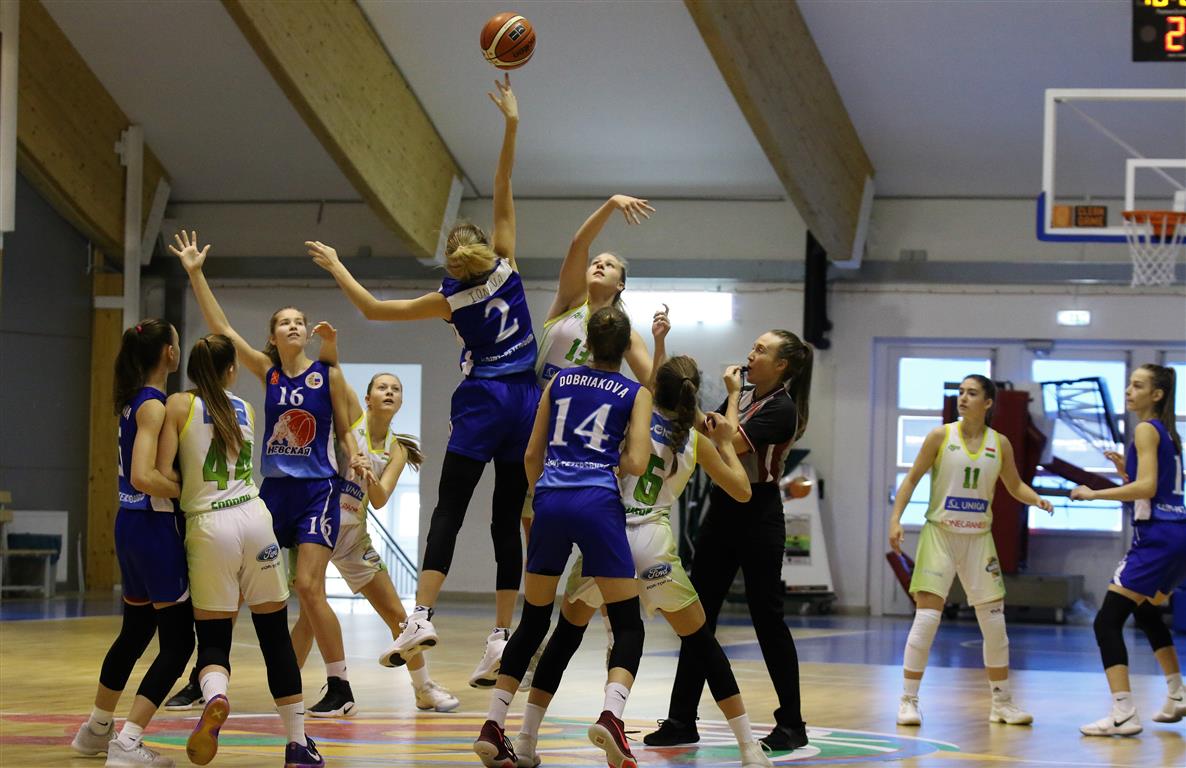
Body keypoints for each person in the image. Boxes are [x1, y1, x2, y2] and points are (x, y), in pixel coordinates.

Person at [307, 74, 535, 688]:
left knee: (449, 510)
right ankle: (501, 638)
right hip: (526, 400)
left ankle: (421, 617)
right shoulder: (508, 265)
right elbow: (503, 183)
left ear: (450, 261)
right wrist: (512, 122)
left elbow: (373, 310)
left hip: (485, 399)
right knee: (506, 519)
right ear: (483, 247)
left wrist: (338, 266)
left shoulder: (447, 299)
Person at [511, 354, 772, 768]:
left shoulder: (629, 418)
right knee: (702, 644)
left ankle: (525, 740)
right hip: (654, 543)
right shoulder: (695, 441)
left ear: (655, 389)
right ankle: (749, 748)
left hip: (610, 537)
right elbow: (743, 492)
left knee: (565, 638)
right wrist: (725, 440)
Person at [172, 230, 368, 718]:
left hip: (318, 491)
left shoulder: (329, 374)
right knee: (235, 587)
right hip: (272, 495)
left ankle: (340, 685)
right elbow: (221, 327)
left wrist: (357, 456)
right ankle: (205, 674)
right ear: (274, 334)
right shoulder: (268, 371)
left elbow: (345, 431)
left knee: (309, 587)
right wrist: (196, 273)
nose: (295, 326)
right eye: (286, 322)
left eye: (300, 321)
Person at [472, 306, 653, 768]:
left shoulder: (560, 381)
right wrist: (605, 459)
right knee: (627, 624)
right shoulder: (636, 392)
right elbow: (636, 462)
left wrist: (544, 492)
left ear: (587, 343)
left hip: (550, 499)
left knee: (534, 621)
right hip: (598, 503)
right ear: (626, 348)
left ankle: (493, 724)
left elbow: (531, 455)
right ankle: (611, 716)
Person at [155, 335, 323, 767]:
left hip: (210, 526)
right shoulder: (246, 407)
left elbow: (164, 471)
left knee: (214, 639)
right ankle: (297, 744)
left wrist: (191, 489)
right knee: (275, 638)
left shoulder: (178, 405)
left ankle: (215, 695)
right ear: (231, 370)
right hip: (255, 518)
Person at [646, 330, 813, 752]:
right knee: (697, 615)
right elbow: (705, 430)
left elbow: (730, 444)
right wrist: (679, 384)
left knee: (767, 619)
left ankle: (792, 724)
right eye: (753, 346)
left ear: (782, 366)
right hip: (723, 509)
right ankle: (681, 719)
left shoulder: (783, 408)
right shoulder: (749, 396)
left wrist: (733, 397)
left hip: (759, 514)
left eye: (762, 350)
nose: (751, 354)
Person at [888, 374, 1054, 728]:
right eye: (961, 392)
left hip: (979, 539)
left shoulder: (1000, 443)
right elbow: (912, 478)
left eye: (972, 393)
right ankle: (908, 701)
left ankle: (1001, 703)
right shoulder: (940, 436)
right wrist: (895, 518)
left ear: (988, 402)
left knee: (995, 625)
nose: (963, 398)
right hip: (941, 535)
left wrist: (1036, 499)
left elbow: (1015, 485)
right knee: (927, 619)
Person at [290, 373, 459, 714]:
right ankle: (287, 689)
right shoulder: (353, 423)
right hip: (320, 525)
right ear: (367, 398)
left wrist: (369, 474)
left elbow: (380, 500)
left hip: (354, 536)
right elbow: (335, 380)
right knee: (309, 615)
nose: (389, 392)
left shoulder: (397, 449)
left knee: (397, 614)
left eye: (396, 389)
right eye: (382, 387)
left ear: (400, 401)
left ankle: (423, 688)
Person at [71, 320, 193, 767]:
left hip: (130, 526)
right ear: (168, 353)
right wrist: (188, 492)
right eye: (175, 343)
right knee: (178, 644)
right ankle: (127, 745)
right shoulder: (154, 405)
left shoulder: (132, 401)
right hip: (153, 528)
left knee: (137, 631)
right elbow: (143, 476)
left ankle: (96, 730)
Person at [1071, 364, 1186, 736]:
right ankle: (1177, 692)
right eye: (1129, 384)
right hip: (1178, 533)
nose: (1128, 390)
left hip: (1158, 538)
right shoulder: (1168, 432)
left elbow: (1147, 489)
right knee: (1147, 612)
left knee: (1106, 621)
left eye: (1137, 385)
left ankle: (1123, 712)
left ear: (1157, 394)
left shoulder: (1144, 429)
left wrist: (1094, 493)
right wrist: (1127, 471)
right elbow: (1158, 486)